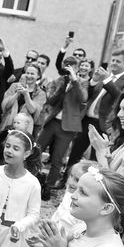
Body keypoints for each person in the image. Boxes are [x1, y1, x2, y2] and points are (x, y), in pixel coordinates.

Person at [65, 50, 124, 169]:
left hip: (104, 124)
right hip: (86, 120)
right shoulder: (102, 76)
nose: (114, 63)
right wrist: (93, 81)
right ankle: (66, 178)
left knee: (96, 156)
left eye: (118, 61)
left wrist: (107, 79)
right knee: (75, 152)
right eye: (113, 60)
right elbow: (88, 96)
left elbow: (119, 97)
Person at [36, 57, 87, 191]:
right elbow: (51, 101)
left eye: (71, 66)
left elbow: (82, 98)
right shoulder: (60, 81)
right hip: (52, 122)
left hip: (68, 128)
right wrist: (63, 85)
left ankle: (49, 186)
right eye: (66, 66)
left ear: (77, 68)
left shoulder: (83, 82)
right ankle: (30, 176)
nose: (68, 69)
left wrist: (74, 80)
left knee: (57, 159)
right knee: (36, 150)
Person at [0, 63, 46, 133]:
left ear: (38, 76)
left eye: (32, 74)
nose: (29, 76)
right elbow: (6, 105)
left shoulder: (41, 93)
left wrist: (26, 94)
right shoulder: (14, 86)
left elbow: (32, 110)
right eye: (27, 73)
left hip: (26, 128)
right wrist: (17, 93)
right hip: (8, 124)